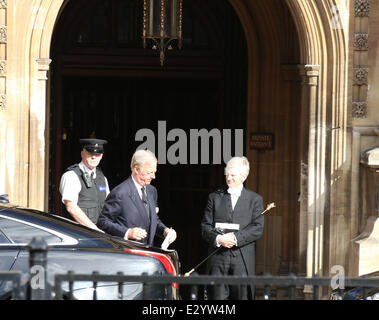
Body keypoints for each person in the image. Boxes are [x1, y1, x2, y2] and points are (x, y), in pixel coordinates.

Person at [201, 156, 264, 300]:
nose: (228, 178)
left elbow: (257, 227)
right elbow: (205, 226)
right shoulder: (214, 197)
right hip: (218, 258)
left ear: (244, 176)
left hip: (242, 258)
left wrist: (236, 238)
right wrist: (219, 238)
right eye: (227, 173)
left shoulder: (255, 200)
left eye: (233, 175)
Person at [97, 149, 177, 247]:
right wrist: (127, 232)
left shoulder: (152, 191)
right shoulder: (120, 192)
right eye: (149, 173)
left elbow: (152, 219)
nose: (154, 176)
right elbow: (103, 222)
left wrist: (165, 231)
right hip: (128, 252)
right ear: (136, 169)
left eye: (154, 172)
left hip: (147, 252)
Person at [59, 138, 110, 232]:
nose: (94, 157)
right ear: (82, 153)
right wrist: (95, 230)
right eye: (90, 153)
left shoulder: (102, 178)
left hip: (100, 234)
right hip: (78, 233)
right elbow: (71, 207)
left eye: (97, 154)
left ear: (101, 156)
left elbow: (108, 206)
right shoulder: (72, 175)